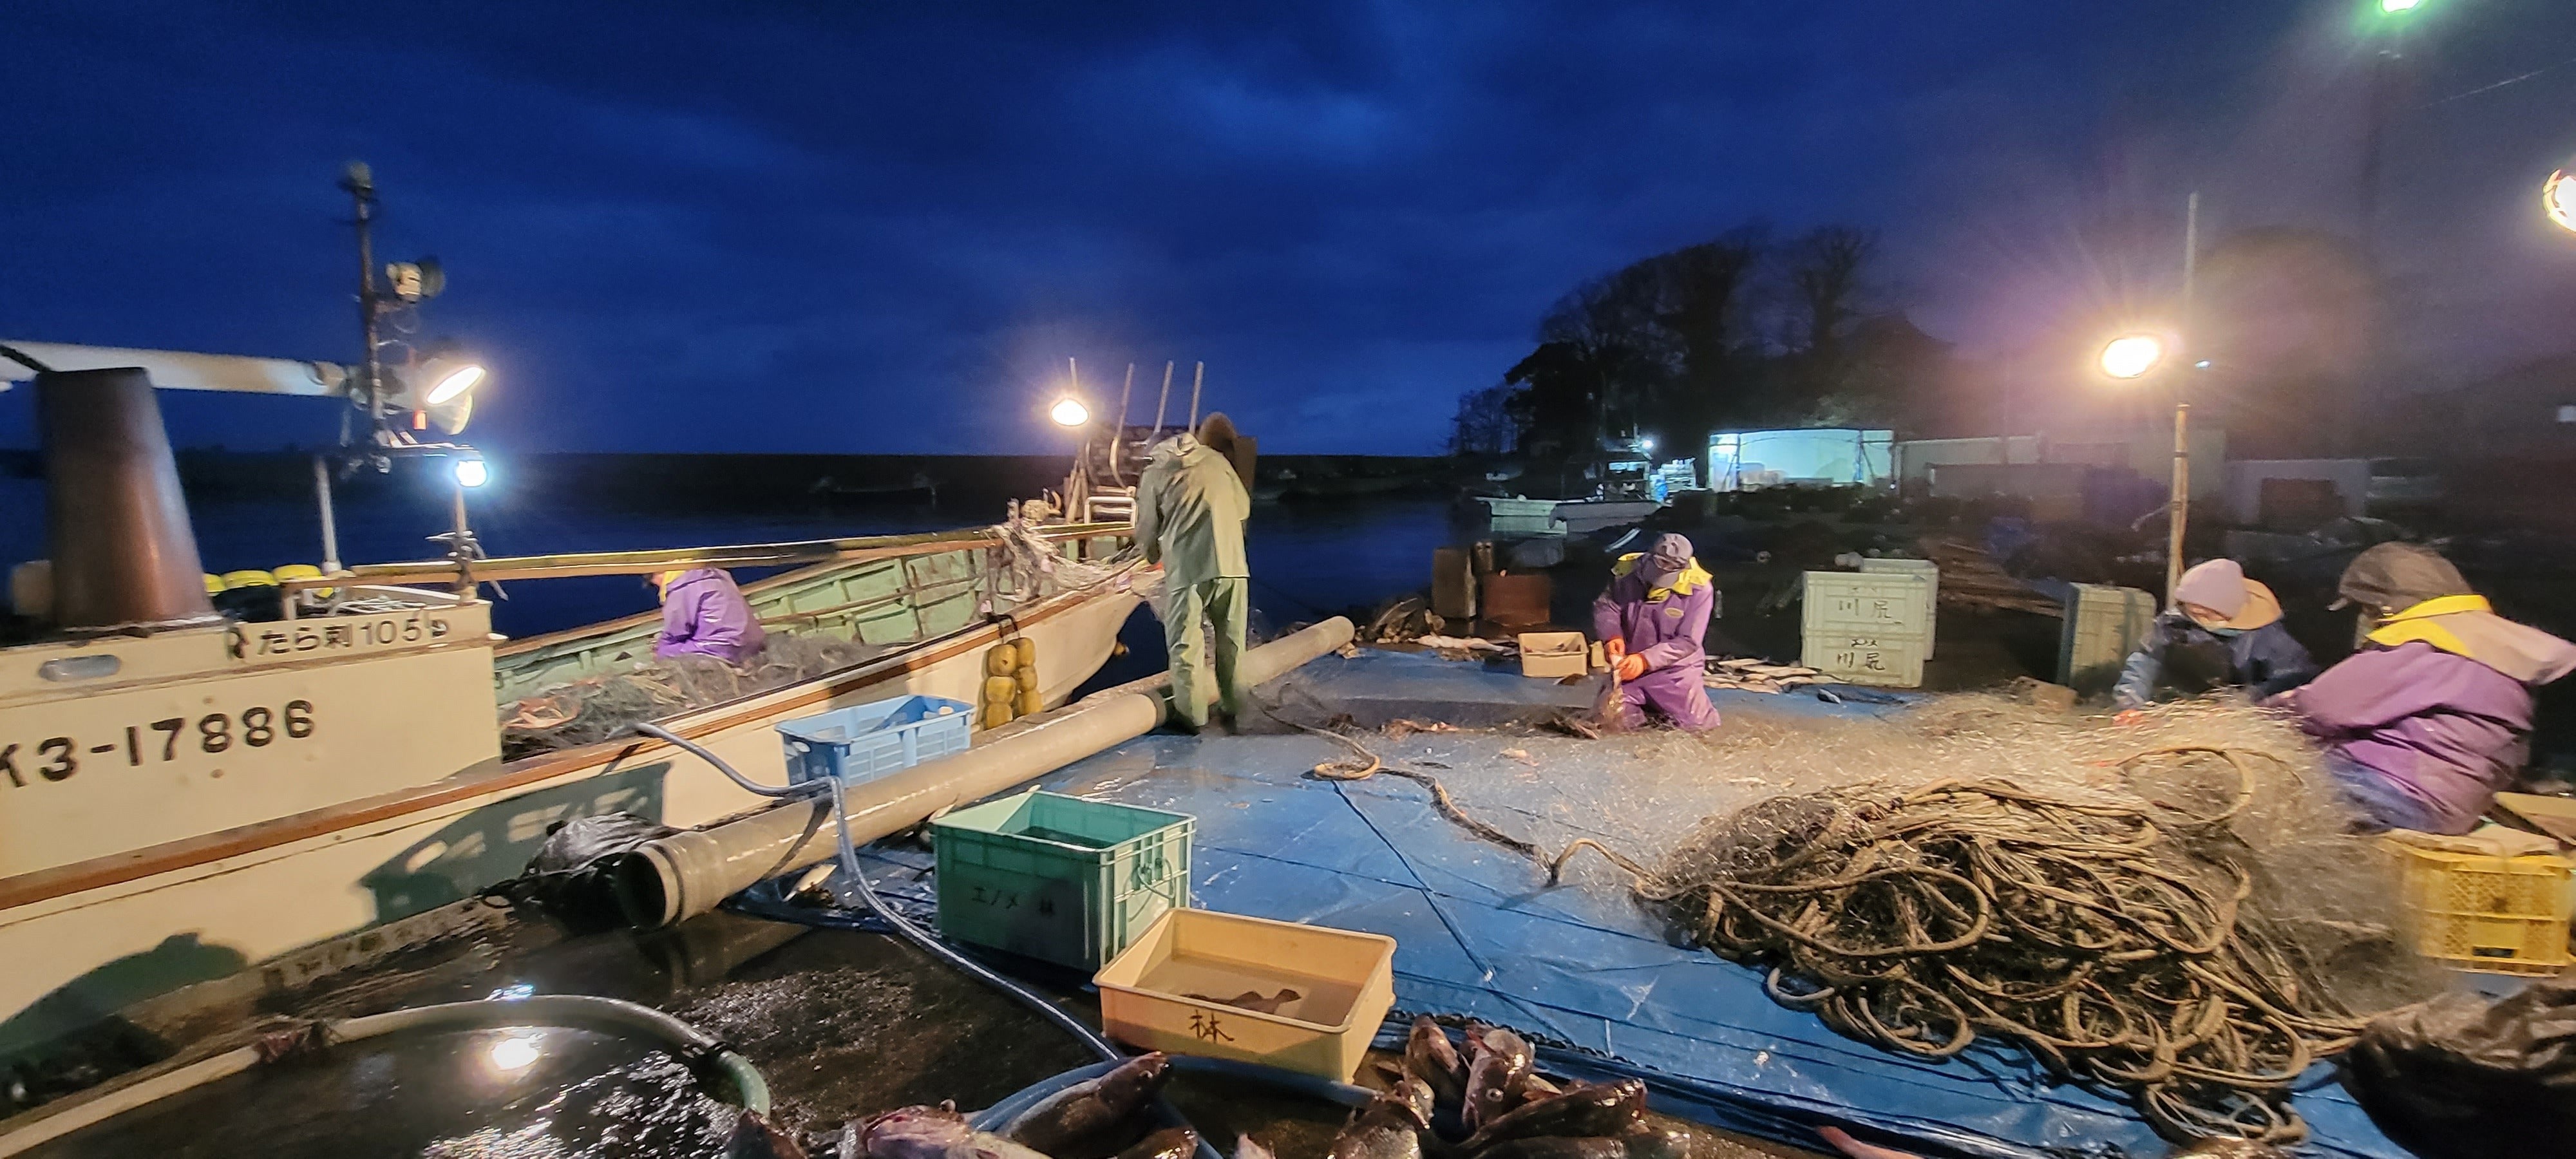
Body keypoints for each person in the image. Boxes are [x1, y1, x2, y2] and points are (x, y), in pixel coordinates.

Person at [2275, 543, 2576, 835]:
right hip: (2453, 804)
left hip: (2394, 791)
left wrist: (2263, 714)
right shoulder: (2488, 648)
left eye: (2365, 609)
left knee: (2261, 785)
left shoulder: (2423, 645)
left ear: (2383, 606)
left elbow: (2320, 709)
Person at [1135, 422, 1251, 732]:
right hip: (1232, 566)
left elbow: (1147, 528)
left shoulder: (1155, 473)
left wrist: (1151, 555)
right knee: (1232, 642)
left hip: (1187, 570)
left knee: (1186, 646)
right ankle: (1236, 708)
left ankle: (1192, 717)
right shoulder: (1217, 461)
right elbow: (1242, 508)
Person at [2113, 558, 2316, 711]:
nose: (2197, 618)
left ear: (2228, 610)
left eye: (2206, 613)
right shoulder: (2175, 621)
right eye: (2192, 611)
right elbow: (2146, 659)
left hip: (2248, 710)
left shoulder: (2267, 635)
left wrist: (2244, 699)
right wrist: (2131, 703)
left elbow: (2292, 678)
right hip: (2187, 702)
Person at [1591, 532, 1721, 732]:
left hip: (1676, 672)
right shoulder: (1627, 571)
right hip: (1628, 668)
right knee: (1608, 719)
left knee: (1697, 727)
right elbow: (1607, 605)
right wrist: (1612, 636)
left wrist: (1645, 661)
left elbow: (1688, 641)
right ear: (1648, 557)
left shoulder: (1700, 589)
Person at [651, 568, 766, 664]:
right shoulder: (717, 575)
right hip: (752, 641)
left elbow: (676, 632)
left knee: (664, 652)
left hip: (722, 648)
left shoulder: (680, 588)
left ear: (660, 574)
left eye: (657, 584)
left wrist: (660, 647)